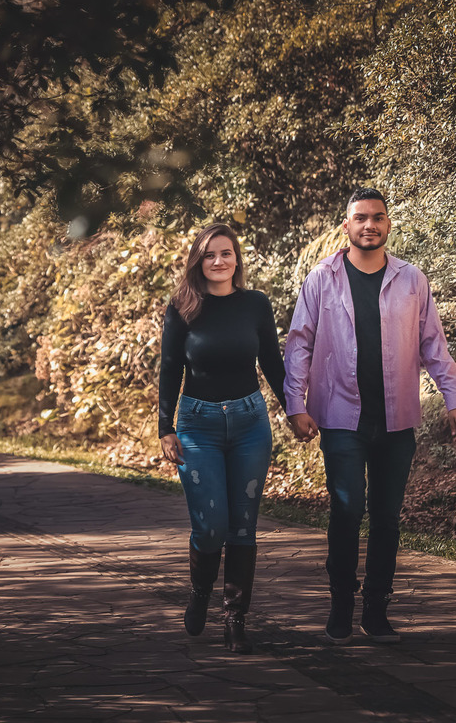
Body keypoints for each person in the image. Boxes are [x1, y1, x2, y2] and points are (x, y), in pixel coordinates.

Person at [284, 188, 456, 645]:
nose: (370, 225)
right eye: (360, 218)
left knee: (386, 518)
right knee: (347, 513)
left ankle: (377, 609)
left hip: (395, 421)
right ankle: (341, 605)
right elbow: (299, 343)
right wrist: (295, 404)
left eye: (378, 218)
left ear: (388, 225)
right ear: (346, 225)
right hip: (341, 419)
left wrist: (454, 398)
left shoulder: (411, 280)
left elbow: (433, 346)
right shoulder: (321, 279)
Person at [158, 223, 286, 654]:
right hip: (198, 425)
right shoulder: (182, 307)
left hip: (250, 423)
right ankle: (200, 590)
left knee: (243, 528)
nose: (218, 261)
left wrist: (296, 409)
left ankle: (235, 619)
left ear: (237, 259)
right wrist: (165, 427)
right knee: (211, 528)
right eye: (209, 254)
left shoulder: (255, 304)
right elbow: (170, 367)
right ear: (198, 259)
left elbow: (271, 359)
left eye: (226, 253)